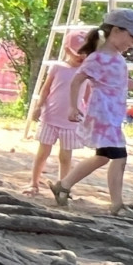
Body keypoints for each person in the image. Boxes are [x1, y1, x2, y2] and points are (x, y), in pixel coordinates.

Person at [48, 8, 133, 216]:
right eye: (132, 36)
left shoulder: (115, 57)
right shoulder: (97, 58)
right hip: (103, 114)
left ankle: (63, 185)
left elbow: (119, 82)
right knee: (119, 156)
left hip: (112, 116)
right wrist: (72, 106)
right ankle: (116, 205)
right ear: (116, 30)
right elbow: (77, 80)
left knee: (103, 157)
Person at [23, 31, 87, 196]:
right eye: (79, 52)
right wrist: (38, 106)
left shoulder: (86, 72)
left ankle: (63, 186)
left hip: (71, 121)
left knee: (65, 156)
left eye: (87, 52)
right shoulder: (57, 68)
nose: (82, 57)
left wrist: (88, 115)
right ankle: (34, 182)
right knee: (43, 152)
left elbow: (88, 97)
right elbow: (46, 90)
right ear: (67, 50)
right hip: (50, 117)